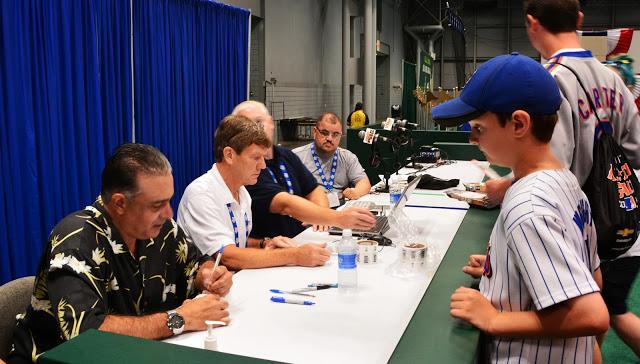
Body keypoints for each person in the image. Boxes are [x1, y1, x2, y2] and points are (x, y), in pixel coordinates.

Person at [483, 0, 640, 356]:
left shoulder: (548, 81)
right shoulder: (613, 78)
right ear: (580, 20)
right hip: (625, 222)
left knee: (585, 327)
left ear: (531, 24)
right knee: (599, 326)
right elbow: (636, 150)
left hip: (578, 228)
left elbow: (550, 169)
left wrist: (501, 187)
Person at [433, 53, 609, 363]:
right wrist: (506, 267)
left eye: (478, 128)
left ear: (518, 123)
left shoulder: (526, 205)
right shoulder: (567, 183)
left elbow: (591, 315)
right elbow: (592, 280)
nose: (472, 139)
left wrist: (494, 320)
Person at [8, 144, 232, 363]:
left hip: (137, 354)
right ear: (119, 203)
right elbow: (87, 336)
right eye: (157, 205)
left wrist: (207, 275)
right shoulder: (76, 243)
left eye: (169, 200)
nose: (168, 213)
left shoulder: (163, 229)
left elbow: (193, 265)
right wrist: (178, 319)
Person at [178, 115, 331, 271]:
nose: (263, 166)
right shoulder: (201, 195)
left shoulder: (242, 192)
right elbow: (227, 256)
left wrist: (264, 243)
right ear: (229, 155)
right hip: (204, 291)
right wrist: (296, 255)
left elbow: (235, 241)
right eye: (256, 158)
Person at [230, 101, 376, 239]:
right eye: (247, 125)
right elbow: (284, 204)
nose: (255, 129)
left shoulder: (286, 156)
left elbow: (313, 190)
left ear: (271, 123)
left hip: (304, 234)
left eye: (259, 122)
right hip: (273, 245)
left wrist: (322, 217)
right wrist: (337, 218)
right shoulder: (247, 167)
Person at [293, 112, 372, 207]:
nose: (330, 138)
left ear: (340, 135)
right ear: (314, 132)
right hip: (311, 210)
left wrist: (356, 192)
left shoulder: (347, 157)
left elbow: (364, 182)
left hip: (340, 208)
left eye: (335, 134)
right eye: (324, 133)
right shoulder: (296, 157)